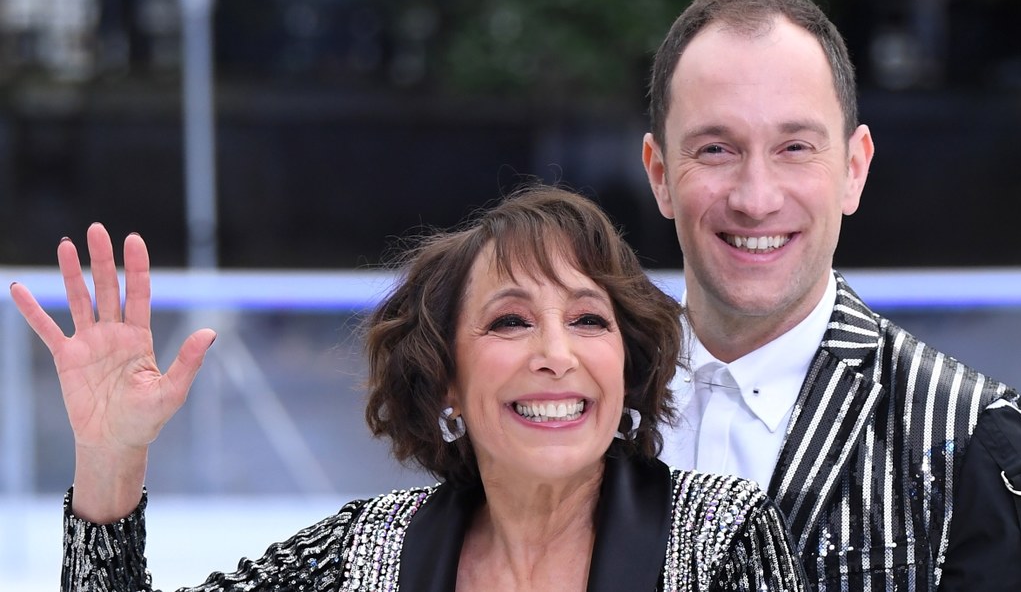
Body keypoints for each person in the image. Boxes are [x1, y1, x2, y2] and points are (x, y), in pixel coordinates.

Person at [9, 185, 808, 592]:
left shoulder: (726, 542)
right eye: (508, 323)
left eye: (590, 321)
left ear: (626, 368)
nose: (556, 354)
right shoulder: (365, 556)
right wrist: (110, 457)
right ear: (446, 383)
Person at [640, 0, 1021, 591]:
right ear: (660, 174)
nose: (757, 198)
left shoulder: (965, 438)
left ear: (854, 169)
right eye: (716, 149)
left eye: (795, 147)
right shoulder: (591, 408)